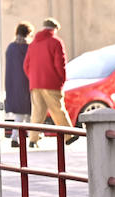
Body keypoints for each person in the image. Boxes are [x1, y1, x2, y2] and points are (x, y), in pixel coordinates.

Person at [22, 17, 76, 148]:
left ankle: (33, 139)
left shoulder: (34, 43)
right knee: (58, 109)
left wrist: (33, 77)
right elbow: (60, 64)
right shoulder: (56, 42)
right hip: (51, 83)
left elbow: (26, 65)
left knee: (37, 111)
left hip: (35, 83)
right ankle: (68, 136)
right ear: (54, 29)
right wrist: (61, 80)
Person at [4, 21, 33, 146]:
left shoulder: (11, 48)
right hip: (27, 83)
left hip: (12, 84)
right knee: (26, 113)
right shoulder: (28, 48)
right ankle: (18, 137)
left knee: (22, 113)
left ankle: (24, 136)